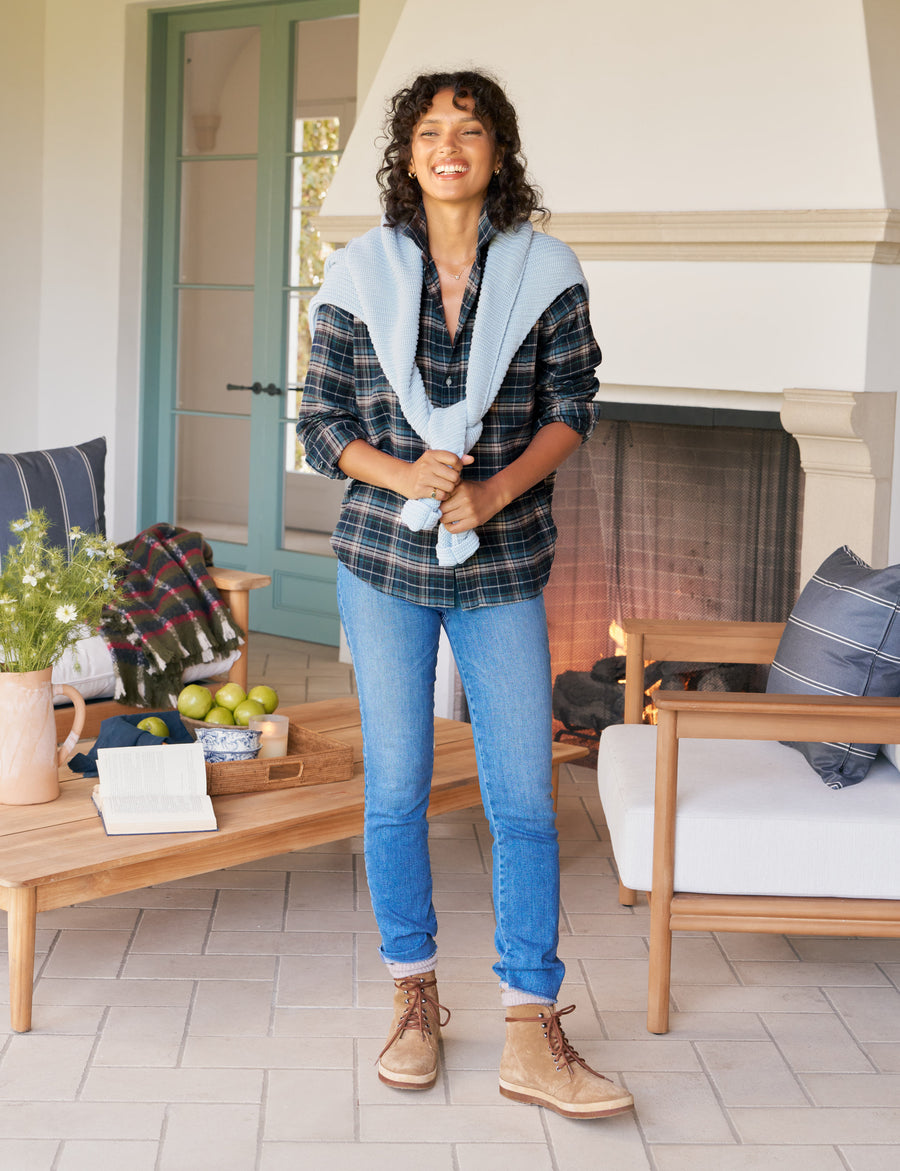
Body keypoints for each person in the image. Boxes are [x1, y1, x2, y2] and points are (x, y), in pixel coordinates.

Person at [297, 69, 633, 1121]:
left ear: (498, 152)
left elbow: (574, 406)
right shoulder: (357, 272)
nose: (450, 146)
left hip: (506, 565)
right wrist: (410, 477)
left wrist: (488, 488)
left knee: (524, 797)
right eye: (431, 131)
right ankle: (413, 996)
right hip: (382, 567)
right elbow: (319, 423)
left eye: (470, 130)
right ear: (407, 157)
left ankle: (531, 1026)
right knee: (396, 788)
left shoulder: (546, 270)